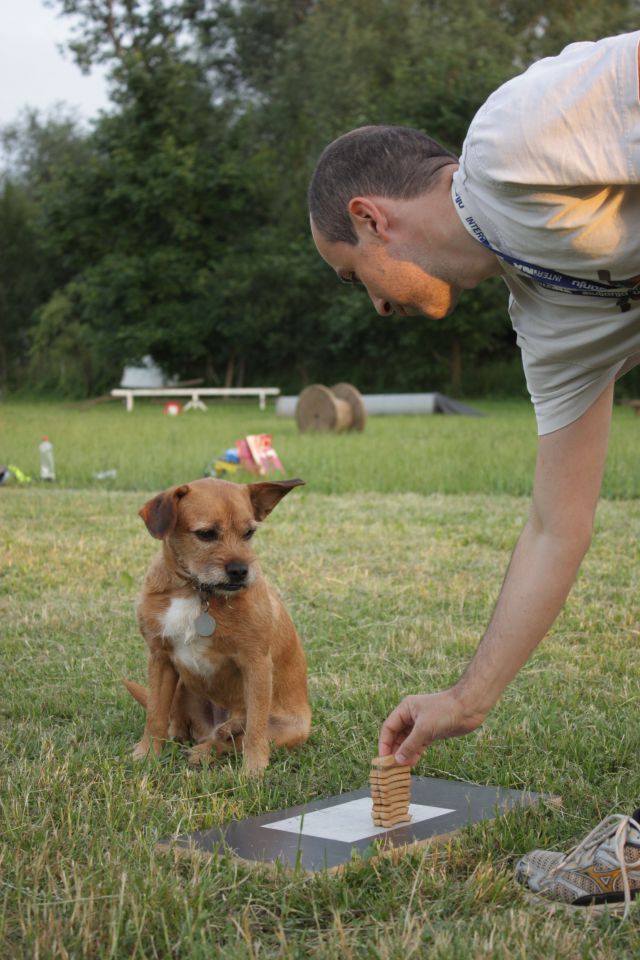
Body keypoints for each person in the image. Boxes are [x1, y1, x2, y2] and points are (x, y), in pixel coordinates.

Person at [308, 30, 640, 915]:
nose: (376, 304)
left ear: (372, 218)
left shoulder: (515, 137)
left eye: (355, 276)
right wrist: (468, 696)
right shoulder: (550, 311)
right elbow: (554, 523)